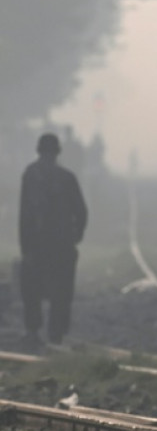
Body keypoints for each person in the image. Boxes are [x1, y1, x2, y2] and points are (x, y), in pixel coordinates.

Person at [18, 133, 88, 347]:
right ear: (57, 152)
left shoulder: (30, 174)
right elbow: (82, 211)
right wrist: (75, 236)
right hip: (62, 244)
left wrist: (25, 247)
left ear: (39, 151)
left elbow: (25, 215)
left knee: (32, 290)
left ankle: (33, 330)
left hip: (37, 245)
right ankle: (56, 333)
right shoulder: (67, 177)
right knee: (62, 291)